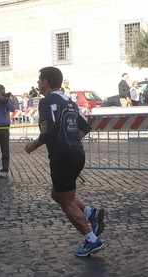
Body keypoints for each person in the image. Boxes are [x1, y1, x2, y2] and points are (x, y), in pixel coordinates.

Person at [25, 66, 105, 257]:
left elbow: (49, 131)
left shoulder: (46, 103)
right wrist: (73, 140)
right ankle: (89, 212)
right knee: (57, 194)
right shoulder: (70, 101)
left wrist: (34, 145)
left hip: (62, 155)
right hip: (77, 153)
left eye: (39, 80)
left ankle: (92, 239)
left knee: (66, 201)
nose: (37, 84)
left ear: (45, 82)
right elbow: (86, 126)